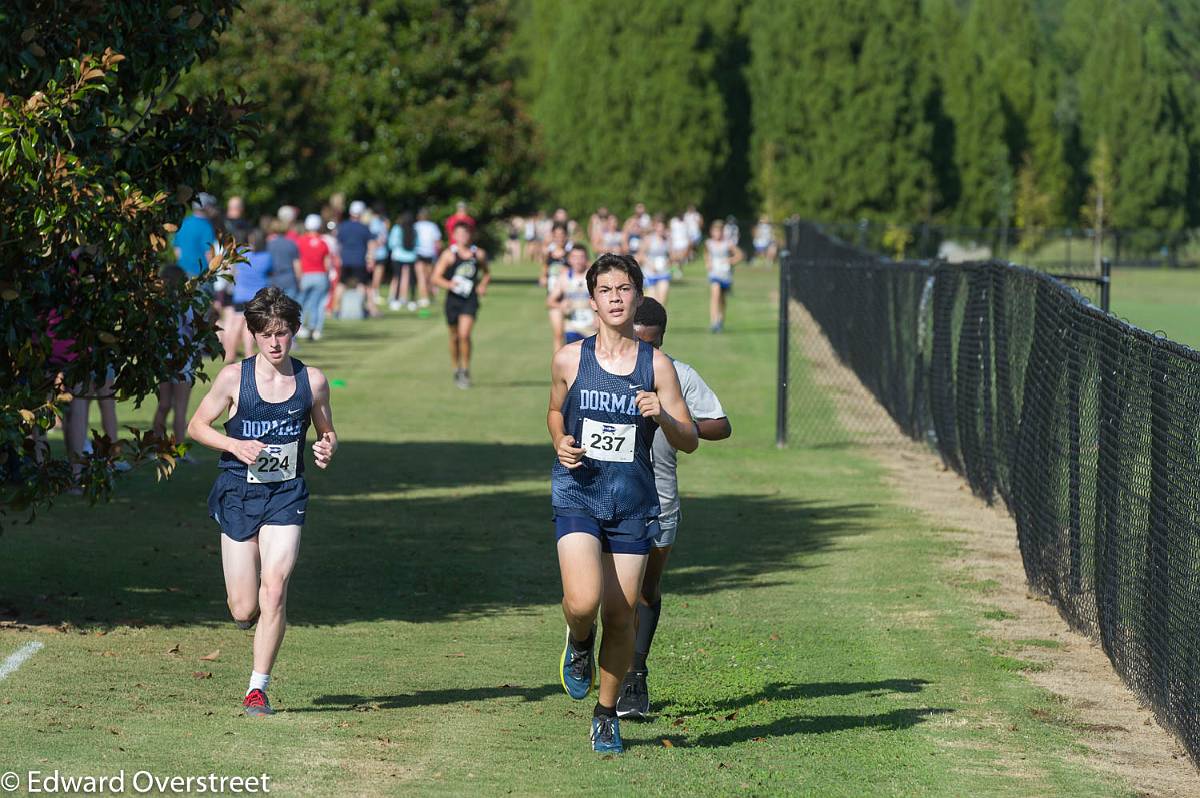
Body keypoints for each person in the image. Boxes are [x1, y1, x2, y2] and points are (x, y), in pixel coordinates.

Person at [548, 253, 697, 754]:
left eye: (624, 288)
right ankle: (578, 641)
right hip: (578, 492)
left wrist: (665, 416)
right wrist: (559, 440)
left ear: (637, 295)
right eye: (606, 290)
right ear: (592, 302)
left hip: (633, 501)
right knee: (584, 601)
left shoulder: (657, 366)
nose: (615, 297)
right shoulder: (571, 357)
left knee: (621, 615)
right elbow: (554, 410)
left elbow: (690, 438)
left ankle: (606, 713)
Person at [187, 287, 337, 718]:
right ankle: (248, 617)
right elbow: (197, 426)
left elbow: (326, 430)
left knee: (274, 590)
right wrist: (235, 444)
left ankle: (257, 688)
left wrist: (327, 446)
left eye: (283, 333)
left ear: (294, 332)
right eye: (266, 334)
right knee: (244, 606)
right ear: (252, 334)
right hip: (237, 493)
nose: (275, 343)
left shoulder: (312, 381)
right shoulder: (235, 378)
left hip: (286, 495)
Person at [617, 297, 731, 719]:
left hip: (660, 500)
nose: (645, 352)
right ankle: (583, 637)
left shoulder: (678, 375)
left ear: (662, 339)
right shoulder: (607, 368)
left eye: (653, 345)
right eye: (637, 341)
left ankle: (635, 676)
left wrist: (676, 422)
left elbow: (722, 424)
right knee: (607, 592)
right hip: (607, 497)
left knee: (644, 591)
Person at [432, 222, 490, 389]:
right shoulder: (449, 255)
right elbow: (435, 277)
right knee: (454, 336)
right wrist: (449, 284)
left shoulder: (477, 254)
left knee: (464, 335)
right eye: (459, 234)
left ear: (470, 235)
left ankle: (465, 369)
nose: (463, 237)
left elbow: (486, 273)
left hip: (470, 300)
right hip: (453, 300)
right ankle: (455, 367)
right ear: (454, 236)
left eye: (466, 234)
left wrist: (482, 285)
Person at [152, 266, 198, 463]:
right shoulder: (184, 305)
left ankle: (156, 447)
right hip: (182, 358)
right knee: (180, 408)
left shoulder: (157, 305)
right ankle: (179, 450)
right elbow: (194, 329)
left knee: (163, 405)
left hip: (163, 357)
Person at [224, 229, 274, 363]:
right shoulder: (267, 257)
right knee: (251, 326)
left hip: (240, 294)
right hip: (257, 296)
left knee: (236, 324)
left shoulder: (242, 255)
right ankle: (248, 353)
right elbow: (270, 273)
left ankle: (230, 353)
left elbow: (233, 270)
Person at [548, 243, 596, 347]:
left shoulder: (594, 277)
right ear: (569, 259)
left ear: (586, 259)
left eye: (581, 257)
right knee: (574, 355)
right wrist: (561, 306)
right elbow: (550, 301)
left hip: (592, 327)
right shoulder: (564, 277)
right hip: (572, 327)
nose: (578, 261)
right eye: (575, 257)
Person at [335, 201, 376, 316]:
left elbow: (338, 244)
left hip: (345, 260)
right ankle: (360, 308)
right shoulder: (364, 228)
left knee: (341, 284)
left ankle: (336, 308)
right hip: (359, 260)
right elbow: (371, 245)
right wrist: (371, 259)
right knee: (361, 284)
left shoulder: (343, 226)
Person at [297, 214, 333, 341]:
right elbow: (327, 263)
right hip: (320, 275)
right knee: (317, 304)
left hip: (306, 275)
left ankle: (300, 327)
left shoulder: (300, 241)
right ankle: (316, 329)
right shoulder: (324, 242)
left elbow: (298, 260)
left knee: (301, 303)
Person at [705, 220, 743, 333]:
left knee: (722, 299)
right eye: (715, 231)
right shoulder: (709, 243)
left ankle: (720, 320)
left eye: (720, 231)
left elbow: (740, 255)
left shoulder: (728, 243)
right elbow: (707, 254)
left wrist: (729, 261)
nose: (718, 233)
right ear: (712, 232)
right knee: (715, 294)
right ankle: (714, 322)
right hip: (714, 274)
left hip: (725, 274)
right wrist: (708, 263)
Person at [541, 223, 572, 351]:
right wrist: (543, 277)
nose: (559, 238)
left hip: (570, 298)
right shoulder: (548, 253)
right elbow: (544, 269)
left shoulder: (571, 254)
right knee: (558, 334)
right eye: (556, 235)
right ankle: (558, 366)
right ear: (553, 236)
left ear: (566, 236)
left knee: (571, 336)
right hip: (553, 297)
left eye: (562, 235)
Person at [173, 193, 217, 277]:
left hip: (181, 272)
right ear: (206, 207)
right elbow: (209, 253)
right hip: (200, 274)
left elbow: (177, 249)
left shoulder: (184, 222)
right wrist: (212, 273)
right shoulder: (207, 227)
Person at [388, 211, 420, 311]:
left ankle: (396, 300)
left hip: (398, 256)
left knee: (398, 277)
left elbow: (392, 243)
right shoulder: (414, 229)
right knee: (412, 280)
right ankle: (412, 300)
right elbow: (417, 243)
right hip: (411, 256)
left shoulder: (397, 228)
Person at [413, 207, 442, 315]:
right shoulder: (432, 226)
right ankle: (429, 296)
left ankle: (425, 298)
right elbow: (437, 242)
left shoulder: (416, 226)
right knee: (429, 276)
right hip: (430, 253)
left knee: (421, 277)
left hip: (419, 252)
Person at [267, 219, 302, 302]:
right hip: (289, 278)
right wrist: (299, 280)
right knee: (289, 308)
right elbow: (297, 264)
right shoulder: (291, 244)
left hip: (273, 279)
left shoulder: (268, 244)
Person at [641, 216, 672, 305]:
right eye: (659, 228)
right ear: (655, 228)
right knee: (653, 302)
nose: (660, 230)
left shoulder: (667, 240)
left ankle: (661, 318)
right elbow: (641, 255)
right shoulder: (649, 239)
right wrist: (650, 265)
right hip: (650, 272)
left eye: (662, 228)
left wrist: (667, 262)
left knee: (662, 301)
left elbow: (671, 255)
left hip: (663, 272)